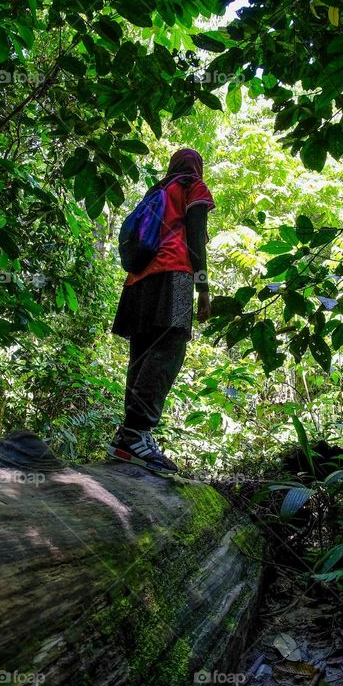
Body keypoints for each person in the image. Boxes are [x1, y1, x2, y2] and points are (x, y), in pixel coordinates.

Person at [108, 148, 215, 474]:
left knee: (142, 354)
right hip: (176, 278)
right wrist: (203, 288)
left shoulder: (157, 192)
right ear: (196, 168)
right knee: (170, 350)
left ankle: (128, 439)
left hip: (137, 283)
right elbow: (195, 238)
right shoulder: (192, 187)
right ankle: (137, 432)